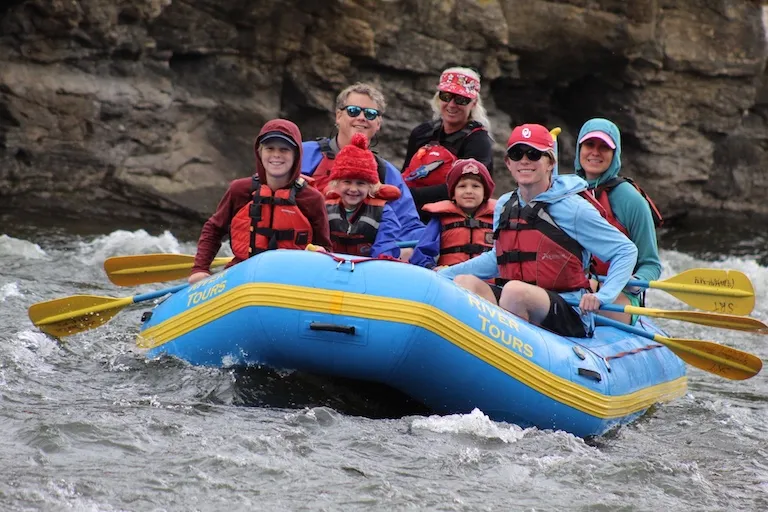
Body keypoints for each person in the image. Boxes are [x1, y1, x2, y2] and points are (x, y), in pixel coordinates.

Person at [440, 124, 638, 338]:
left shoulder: (574, 208)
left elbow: (625, 251)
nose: (524, 161)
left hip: (568, 309)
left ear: (550, 163)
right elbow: (496, 259)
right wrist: (446, 274)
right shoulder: (505, 205)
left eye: (534, 154)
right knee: (464, 283)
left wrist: (604, 296)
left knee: (515, 292)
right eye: (516, 154)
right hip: (515, 298)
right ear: (508, 163)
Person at [189, 119, 332, 284]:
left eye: (284, 150)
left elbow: (325, 248)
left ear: (296, 155)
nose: (276, 155)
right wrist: (200, 269)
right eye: (270, 148)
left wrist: (321, 254)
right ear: (260, 152)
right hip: (243, 274)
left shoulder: (312, 199)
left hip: (291, 280)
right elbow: (213, 229)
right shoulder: (240, 190)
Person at [301, 82, 424, 260]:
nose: (361, 117)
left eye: (370, 114)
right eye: (353, 111)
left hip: (366, 263)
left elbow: (409, 226)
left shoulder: (386, 172)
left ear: (378, 123)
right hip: (311, 256)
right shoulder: (304, 154)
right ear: (338, 116)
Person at [575, 118, 663, 324]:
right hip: (576, 287)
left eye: (604, 147)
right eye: (589, 145)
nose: (595, 152)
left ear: (615, 155)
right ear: (579, 149)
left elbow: (651, 264)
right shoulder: (566, 192)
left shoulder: (631, 200)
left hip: (618, 295)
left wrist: (636, 282)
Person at [401, 67, 494, 220]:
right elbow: (405, 173)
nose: (451, 104)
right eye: (446, 96)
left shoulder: (478, 141)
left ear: (474, 103)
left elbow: (468, 187)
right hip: (410, 216)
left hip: (452, 219)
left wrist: (407, 195)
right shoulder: (421, 133)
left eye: (461, 99)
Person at [325, 133, 402, 258]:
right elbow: (320, 240)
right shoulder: (326, 209)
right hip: (333, 266)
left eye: (361, 183)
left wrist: (380, 260)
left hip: (367, 268)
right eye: (347, 182)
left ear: (371, 186)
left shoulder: (384, 212)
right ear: (336, 183)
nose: (353, 189)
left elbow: (385, 243)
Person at [410, 158, 496, 269]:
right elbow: (421, 254)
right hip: (450, 281)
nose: (469, 191)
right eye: (462, 186)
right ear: (453, 193)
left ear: (485, 193)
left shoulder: (498, 218)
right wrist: (431, 267)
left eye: (476, 186)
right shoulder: (440, 219)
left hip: (487, 283)